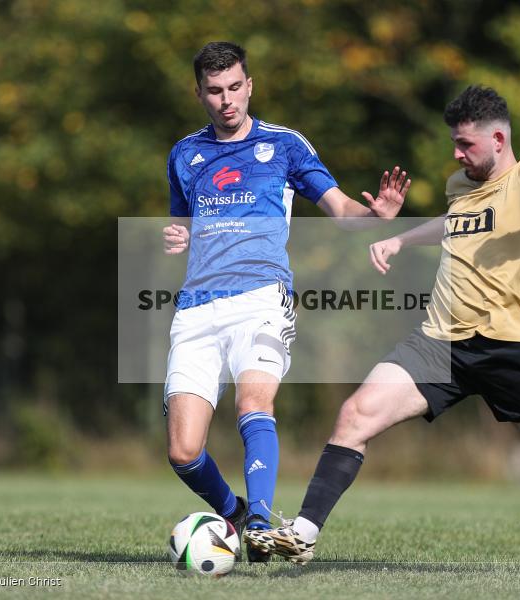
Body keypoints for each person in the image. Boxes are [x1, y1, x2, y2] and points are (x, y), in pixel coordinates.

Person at [245, 85, 520, 572]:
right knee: (356, 414)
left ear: (498, 139)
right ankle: (304, 534)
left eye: (466, 144)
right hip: (440, 341)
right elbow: (454, 222)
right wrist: (401, 240)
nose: (457, 152)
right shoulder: (459, 184)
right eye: (455, 143)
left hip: (509, 348)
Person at [163, 41, 410, 562]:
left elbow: (341, 208)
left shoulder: (286, 145)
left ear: (250, 85)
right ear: (199, 94)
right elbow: (183, 221)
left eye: (235, 87)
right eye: (215, 91)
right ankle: (233, 512)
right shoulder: (185, 155)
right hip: (197, 307)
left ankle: (259, 524)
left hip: (262, 297)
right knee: (183, 451)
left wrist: (377, 217)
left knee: (254, 403)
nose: (227, 99)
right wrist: (178, 235)